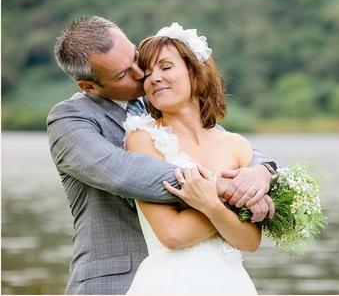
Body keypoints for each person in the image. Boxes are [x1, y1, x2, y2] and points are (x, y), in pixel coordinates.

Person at [47, 15, 277, 294]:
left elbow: (228, 145)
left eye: (136, 58)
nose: (141, 73)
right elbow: (123, 172)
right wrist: (223, 188)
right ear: (89, 86)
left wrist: (261, 172)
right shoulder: (70, 120)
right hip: (113, 282)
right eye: (123, 74)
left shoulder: (162, 97)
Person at [123, 23, 265, 294]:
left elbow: (249, 241)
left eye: (165, 67)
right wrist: (229, 203)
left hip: (231, 283)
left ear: (195, 72)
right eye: (147, 73)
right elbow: (172, 235)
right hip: (172, 282)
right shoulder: (142, 139)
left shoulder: (236, 145)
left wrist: (209, 203)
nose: (154, 78)